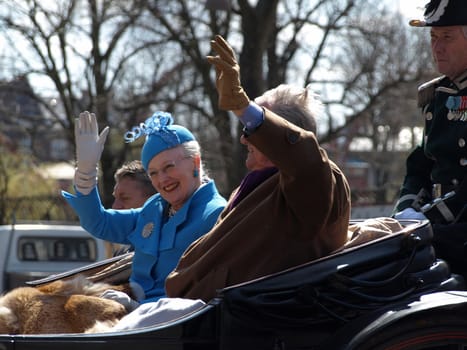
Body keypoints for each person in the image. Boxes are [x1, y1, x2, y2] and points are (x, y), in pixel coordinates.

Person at [164, 35, 351, 302]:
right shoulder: (257, 184)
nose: (244, 138)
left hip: (253, 323)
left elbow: (305, 159)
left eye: (253, 130)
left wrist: (244, 107)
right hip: (208, 313)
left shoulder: (319, 181)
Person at [61, 110, 227, 306]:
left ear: (195, 163)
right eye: (154, 173)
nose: (162, 179)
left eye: (169, 167)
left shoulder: (215, 214)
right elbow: (100, 223)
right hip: (134, 313)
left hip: (172, 324)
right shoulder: (154, 208)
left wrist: (138, 308)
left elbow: (202, 290)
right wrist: (86, 174)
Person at [393, 0, 467, 279]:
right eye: (433, 37)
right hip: (442, 229)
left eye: (447, 37)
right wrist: (405, 212)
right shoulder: (438, 95)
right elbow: (422, 164)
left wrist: (429, 220)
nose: (437, 47)